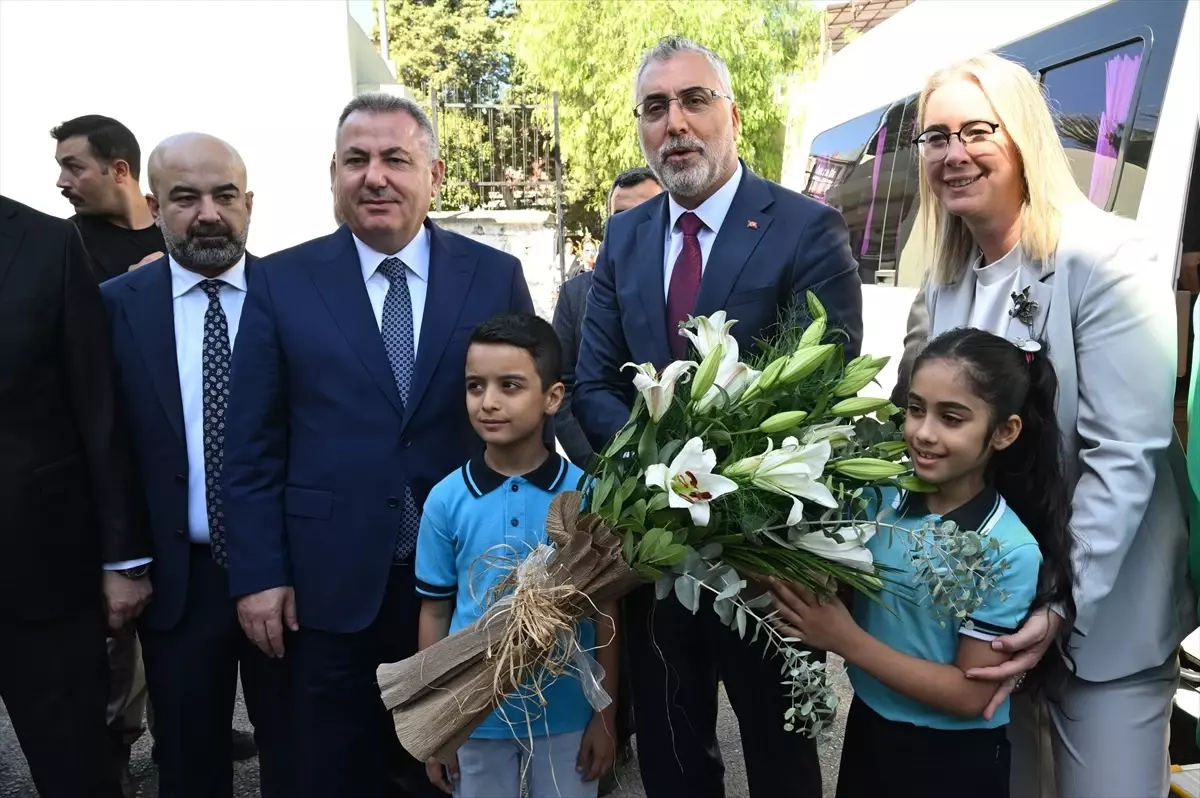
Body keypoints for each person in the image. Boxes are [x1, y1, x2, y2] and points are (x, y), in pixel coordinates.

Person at [890, 52, 1194, 798]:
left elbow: (1124, 454)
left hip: (1101, 622)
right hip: (989, 617)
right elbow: (918, 442)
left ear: (1024, 134)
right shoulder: (943, 283)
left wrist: (1057, 602)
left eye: (976, 130)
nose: (954, 154)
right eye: (936, 138)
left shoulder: (1107, 259)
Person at [221, 92, 538, 798]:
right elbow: (250, 445)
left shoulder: (492, 278)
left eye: (396, 158)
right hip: (326, 589)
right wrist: (259, 574)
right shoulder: (279, 280)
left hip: (462, 580)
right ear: (332, 173)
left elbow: (524, 426)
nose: (375, 176)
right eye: (355, 160)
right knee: (332, 768)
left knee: (452, 766)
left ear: (436, 174)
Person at [573, 36, 862, 798]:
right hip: (655, 553)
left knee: (778, 755)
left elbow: (822, 382)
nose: (677, 124)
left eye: (695, 100)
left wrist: (724, 491)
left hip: (766, 557)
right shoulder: (626, 236)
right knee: (671, 758)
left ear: (731, 115)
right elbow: (594, 382)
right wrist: (658, 482)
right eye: (656, 107)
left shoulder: (806, 228)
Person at [771, 328, 1076, 798]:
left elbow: (971, 694)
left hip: (951, 761)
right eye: (915, 409)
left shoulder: (1006, 548)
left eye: (951, 418)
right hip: (870, 727)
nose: (923, 433)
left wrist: (844, 638)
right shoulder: (880, 498)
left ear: (1004, 432)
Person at [99, 133, 293, 798]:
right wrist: (121, 561)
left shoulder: (297, 295)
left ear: (249, 204)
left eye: (224, 196)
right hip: (175, 581)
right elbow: (106, 444)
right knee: (188, 759)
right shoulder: (114, 307)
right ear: (154, 205)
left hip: (286, 572)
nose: (207, 213)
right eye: (185, 198)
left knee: (298, 751)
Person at [416, 313, 619, 798]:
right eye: (474, 386)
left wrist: (606, 717)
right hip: (475, 716)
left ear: (552, 397)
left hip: (568, 712)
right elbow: (435, 611)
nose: (488, 402)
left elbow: (607, 611)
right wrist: (435, 723)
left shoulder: (588, 496)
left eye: (510, 386)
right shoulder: (447, 500)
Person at [0, 194, 152, 798]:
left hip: (41, 568)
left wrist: (122, 559)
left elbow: (98, 407)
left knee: (76, 769)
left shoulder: (46, 243)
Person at [553, 167, 664, 468]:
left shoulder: (680, 286)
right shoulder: (575, 296)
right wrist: (600, 465)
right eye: (621, 215)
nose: (633, 224)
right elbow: (560, 389)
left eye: (646, 211)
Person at [52, 115, 166, 280]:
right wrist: (131, 287)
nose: (61, 182)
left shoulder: (182, 227)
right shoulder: (65, 246)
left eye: (74, 167)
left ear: (119, 170)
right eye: (61, 167)